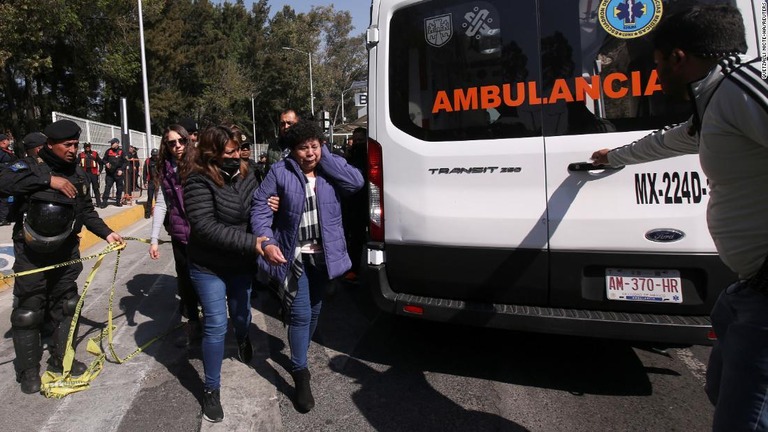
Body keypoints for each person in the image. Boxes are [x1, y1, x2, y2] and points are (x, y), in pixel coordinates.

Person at [589, 5, 766, 431]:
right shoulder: (713, 98)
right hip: (750, 287)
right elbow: (672, 141)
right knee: (720, 382)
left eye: (656, 63)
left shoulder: (742, 89)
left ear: (678, 57)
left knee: (744, 419)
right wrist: (614, 155)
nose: (655, 74)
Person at [0, 119, 123, 394]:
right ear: (50, 145)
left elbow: (87, 211)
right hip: (31, 252)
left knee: (67, 305)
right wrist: (48, 180)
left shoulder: (77, 174)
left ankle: (61, 358)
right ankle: (28, 370)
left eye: (76, 145)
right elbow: (4, 182)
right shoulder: (30, 166)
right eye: (67, 145)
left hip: (65, 250)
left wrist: (108, 233)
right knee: (28, 312)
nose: (73, 149)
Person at [251, 119, 364, 413]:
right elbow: (260, 205)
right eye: (303, 148)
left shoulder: (331, 168)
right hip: (294, 254)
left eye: (314, 146)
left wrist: (326, 157)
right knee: (300, 313)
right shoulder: (281, 170)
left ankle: (299, 348)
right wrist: (266, 240)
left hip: (324, 255)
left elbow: (357, 182)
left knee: (315, 308)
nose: (309, 153)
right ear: (293, 149)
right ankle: (301, 372)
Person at [181, 125, 266, 422]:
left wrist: (271, 206)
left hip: (240, 263)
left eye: (237, 149)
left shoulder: (247, 173)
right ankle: (211, 389)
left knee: (242, 315)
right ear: (211, 152)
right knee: (216, 324)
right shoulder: (196, 180)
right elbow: (204, 227)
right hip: (208, 266)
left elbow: (257, 208)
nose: (236, 155)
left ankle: (242, 337)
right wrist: (251, 242)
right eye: (229, 151)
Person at [148, 125, 203, 345]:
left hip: (203, 232)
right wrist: (154, 240)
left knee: (205, 279)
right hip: (180, 235)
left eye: (181, 141)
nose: (178, 146)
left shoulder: (200, 163)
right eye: (172, 143)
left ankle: (212, 321)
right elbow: (162, 203)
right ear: (166, 145)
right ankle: (194, 323)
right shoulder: (165, 169)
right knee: (186, 280)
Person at [342, 127, 368, 282]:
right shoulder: (349, 157)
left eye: (360, 140)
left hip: (362, 204)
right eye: (355, 140)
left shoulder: (368, 157)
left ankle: (354, 269)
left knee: (357, 238)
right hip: (348, 203)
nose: (357, 143)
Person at [0, 133, 19, 225]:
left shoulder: (7, 151)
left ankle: (10, 216)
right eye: (8, 140)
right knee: (4, 198)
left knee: (9, 198)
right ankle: (3, 218)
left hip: (10, 177)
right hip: (3, 178)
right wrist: (7, 166)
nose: (9, 141)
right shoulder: (1, 153)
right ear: (3, 142)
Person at [77, 142, 103, 208]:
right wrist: (79, 173)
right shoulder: (81, 155)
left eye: (88, 146)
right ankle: (87, 204)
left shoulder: (95, 154)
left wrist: (99, 171)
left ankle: (99, 203)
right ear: (84, 147)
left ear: (90, 147)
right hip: (85, 174)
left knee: (96, 188)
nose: (87, 148)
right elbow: (76, 164)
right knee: (86, 189)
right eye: (86, 147)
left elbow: (101, 163)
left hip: (93, 173)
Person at [101, 138, 125, 207]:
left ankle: (118, 202)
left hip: (118, 173)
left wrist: (121, 170)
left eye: (112, 143)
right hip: (110, 174)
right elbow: (104, 160)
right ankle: (104, 202)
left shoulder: (121, 152)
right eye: (111, 143)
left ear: (117, 143)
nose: (111, 144)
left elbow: (125, 162)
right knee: (107, 188)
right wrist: (106, 163)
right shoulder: (108, 151)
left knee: (119, 188)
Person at [142, 148, 159, 219]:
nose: (155, 157)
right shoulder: (148, 161)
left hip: (158, 182)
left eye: (156, 155)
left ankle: (158, 214)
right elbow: (145, 172)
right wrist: (145, 181)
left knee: (158, 199)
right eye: (153, 155)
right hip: (151, 182)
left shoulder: (160, 161)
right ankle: (147, 213)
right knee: (150, 198)